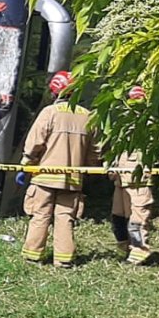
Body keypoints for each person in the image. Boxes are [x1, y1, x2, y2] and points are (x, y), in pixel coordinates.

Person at [17, 71, 99, 268]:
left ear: (54, 91)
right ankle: (63, 259)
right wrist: (88, 170)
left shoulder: (49, 113)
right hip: (73, 180)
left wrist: (26, 164)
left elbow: (35, 142)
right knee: (65, 218)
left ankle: (33, 255)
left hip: (44, 177)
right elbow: (96, 151)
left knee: (40, 214)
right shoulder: (88, 116)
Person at [109, 85, 154, 265]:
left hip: (138, 181)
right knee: (118, 218)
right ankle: (125, 248)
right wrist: (112, 167)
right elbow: (116, 149)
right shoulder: (122, 122)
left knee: (137, 219)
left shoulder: (149, 124)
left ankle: (139, 252)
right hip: (121, 180)